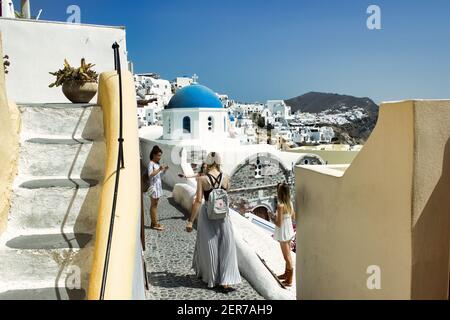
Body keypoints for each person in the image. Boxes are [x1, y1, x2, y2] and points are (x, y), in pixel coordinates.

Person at [186, 152, 241, 293]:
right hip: (223, 214)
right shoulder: (226, 177)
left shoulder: (202, 179)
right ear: (219, 162)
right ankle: (226, 280)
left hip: (207, 214)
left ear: (207, 163)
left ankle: (212, 277)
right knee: (226, 245)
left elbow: (198, 200)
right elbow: (226, 192)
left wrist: (191, 221)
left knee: (210, 245)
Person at [274, 182, 296, 287]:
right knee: (288, 254)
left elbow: (278, 223)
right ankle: (286, 274)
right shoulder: (289, 203)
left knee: (286, 256)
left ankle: (289, 280)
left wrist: (271, 217)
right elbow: (293, 216)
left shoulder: (280, 205)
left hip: (283, 232)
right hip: (289, 230)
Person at [148, 145, 169, 231]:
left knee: (155, 205)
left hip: (158, 187)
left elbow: (159, 176)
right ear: (154, 155)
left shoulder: (156, 164)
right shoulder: (151, 163)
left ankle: (153, 222)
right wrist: (159, 169)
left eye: (160, 155)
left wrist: (164, 170)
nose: (160, 157)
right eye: (158, 155)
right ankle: (154, 224)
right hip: (153, 188)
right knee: (153, 205)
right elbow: (150, 175)